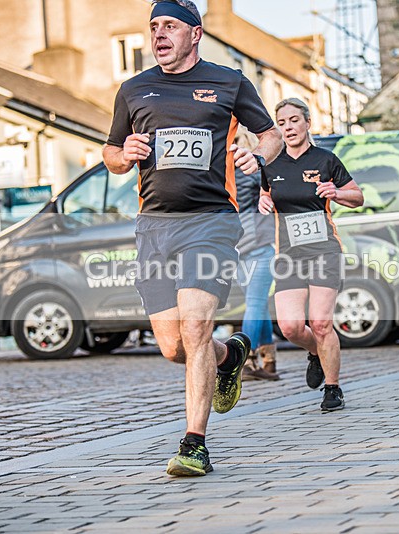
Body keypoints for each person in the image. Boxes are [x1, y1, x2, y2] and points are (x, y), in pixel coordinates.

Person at [102, 0, 283, 477]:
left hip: (211, 222)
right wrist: (125, 155)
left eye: (170, 26)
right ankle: (231, 356)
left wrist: (256, 155)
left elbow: (271, 136)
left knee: (197, 327)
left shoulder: (229, 82)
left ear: (195, 33)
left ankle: (194, 443)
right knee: (172, 345)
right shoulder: (133, 89)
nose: (159, 34)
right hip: (154, 227)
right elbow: (111, 152)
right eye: (153, 26)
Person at [259, 98, 363, 412]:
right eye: (282, 122)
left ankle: (333, 388)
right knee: (290, 326)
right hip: (289, 254)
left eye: (294, 120)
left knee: (320, 322)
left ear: (307, 123)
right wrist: (263, 202)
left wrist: (337, 192)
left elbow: (357, 197)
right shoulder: (271, 165)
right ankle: (316, 352)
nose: (288, 127)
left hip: (324, 251)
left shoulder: (325, 160)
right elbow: (265, 194)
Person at [233, 128, 280, 381]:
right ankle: (247, 361)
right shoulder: (254, 169)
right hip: (260, 241)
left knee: (257, 303)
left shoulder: (224, 171)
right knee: (256, 303)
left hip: (236, 243)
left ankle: (269, 361)